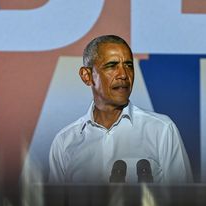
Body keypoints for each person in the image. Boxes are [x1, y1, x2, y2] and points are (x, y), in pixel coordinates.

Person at [49, 35, 192, 183]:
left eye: (129, 65)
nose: (124, 75)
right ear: (87, 76)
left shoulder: (161, 129)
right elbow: (55, 205)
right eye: (112, 66)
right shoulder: (64, 142)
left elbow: (184, 202)